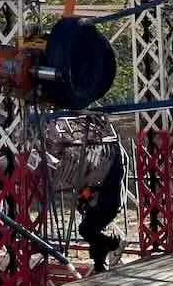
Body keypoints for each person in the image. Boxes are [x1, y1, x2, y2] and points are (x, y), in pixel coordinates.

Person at [44, 113, 124, 274]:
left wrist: (87, 192)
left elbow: (96, 182)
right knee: (92, 232)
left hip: (106, 202)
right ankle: (100, 265)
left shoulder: (110, 157)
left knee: (86, 229)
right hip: (100, 201)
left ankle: (114, 243)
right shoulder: (104, 155)